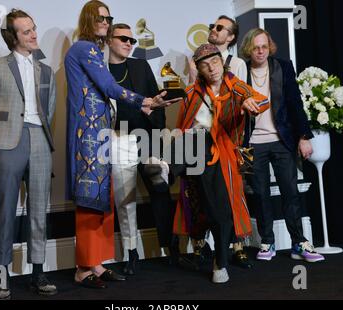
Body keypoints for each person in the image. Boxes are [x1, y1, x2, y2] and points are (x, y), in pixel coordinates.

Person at [64, 0, 179, 289]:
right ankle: (83, 268)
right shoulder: (85, 48)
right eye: (101, 18)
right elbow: (109, 88)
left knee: (102, 201)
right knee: (91, 202)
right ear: (89, 19)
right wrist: (145, 101)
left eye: (108, 17)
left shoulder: (92, 51)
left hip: (100, 135)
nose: (105, 21)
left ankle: (98, 264)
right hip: (91, 137)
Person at [145, 44, 269, 283]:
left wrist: (249, 105)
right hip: (196, 152)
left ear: (221, 62)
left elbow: (261, 101)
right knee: (193, 137)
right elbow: (184, 126)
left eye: (214, 62)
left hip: (224, 155)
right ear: (199, 69)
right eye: (204, 65)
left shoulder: (236, 86)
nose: (211, 68)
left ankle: (220, 263)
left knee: (219, 211)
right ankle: (166, 166)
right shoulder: (192, 92)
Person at [0, 9, 57, 299]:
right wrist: (1, 139)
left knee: (39, 211)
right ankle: (1, 273)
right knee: (5, 211)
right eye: (26, 31)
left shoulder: (46, 70)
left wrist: (39, 134)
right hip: (7, 142)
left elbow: (49, 112)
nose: (34, 34)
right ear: (14, 37)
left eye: (34, 29)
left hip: (39, 139)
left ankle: (38, 272)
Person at [239, 28, 325, 263]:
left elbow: (294, 102)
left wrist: (304, 136)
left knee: (291, 192)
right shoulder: (239, 70)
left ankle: (300, 242)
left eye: (264, 46)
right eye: (256, 47)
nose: (260, 51)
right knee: (260, 194)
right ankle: (267, 241)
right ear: (248, 48)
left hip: (281, 140)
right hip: (252, 144)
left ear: (270, 47)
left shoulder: (282, 67)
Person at [108, 23, 177, 275]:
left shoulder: (140, 65)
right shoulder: (100, 70)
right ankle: (131, 253)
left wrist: (157, 139)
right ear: (108, 40)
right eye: (124, 39)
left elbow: (156, 103)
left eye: (132, 40)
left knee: (161, 192)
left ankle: (170, 248)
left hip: (146, 140)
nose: (129, 43)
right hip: (117, 140)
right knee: (125, 201)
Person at [189, 15, 251, 269]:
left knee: (236, 188)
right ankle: (202, 244)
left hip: (234, 136)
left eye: (219, 28)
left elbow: (242, 99)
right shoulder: (197, 62)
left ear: (231, 37)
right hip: (202, 137)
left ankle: (237, 245)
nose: (213, 30)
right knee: (200, 191)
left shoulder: (236, 64)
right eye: (212, 26)